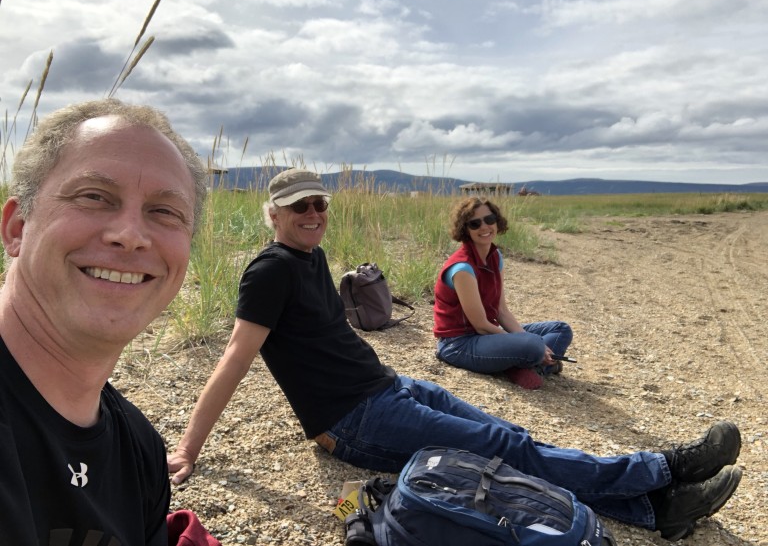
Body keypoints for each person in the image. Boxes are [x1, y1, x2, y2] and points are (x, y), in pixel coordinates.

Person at [168, 167, 743, 541]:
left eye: (319, 203)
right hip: (352, 420)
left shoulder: (310, 257)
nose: (313, 214)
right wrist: (190, 449)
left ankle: (656, 509)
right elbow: (237, 358)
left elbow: (325, 338)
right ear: (274, 215)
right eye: (299, 208)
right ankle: (662, 469)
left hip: (386, 387)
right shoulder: (269, 271)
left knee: (506, 435)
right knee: (503, 447)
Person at [0, 98, 214, 545]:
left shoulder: (140, 451)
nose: (131, 235)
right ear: (17, 227)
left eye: (164, 211)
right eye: (94, 196)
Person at [433, 197, 573, 390]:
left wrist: (525, 339)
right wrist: (531, 343)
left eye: (489, 220)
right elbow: (481, 325)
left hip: (487, 337)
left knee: (560, 329)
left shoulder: (494, 256)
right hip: (459, 344)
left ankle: (521, 365)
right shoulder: (462, 268)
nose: (484, 227)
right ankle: (526, 364)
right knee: (532, 345)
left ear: (496, 221)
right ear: (465, 229)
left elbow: (501, 311)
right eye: (475, 223)